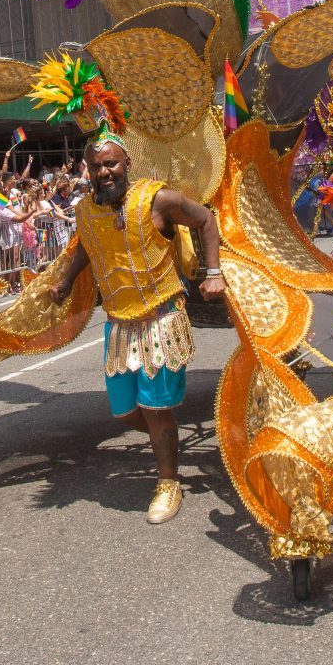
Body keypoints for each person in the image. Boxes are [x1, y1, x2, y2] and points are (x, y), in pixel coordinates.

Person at [49, 135, 225, 524]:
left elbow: (205, 220)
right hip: (119, 324)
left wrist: (214, 273)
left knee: (155, 408)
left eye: (110, 164)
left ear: (126, 161)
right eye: (96, 166)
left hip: (161, 318)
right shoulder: (84, 211)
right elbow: (87, 245)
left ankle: (168, 481)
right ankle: (167, 443)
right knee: (125, 411)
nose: (103, 172)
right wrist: (64, 281)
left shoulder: (157, 199)